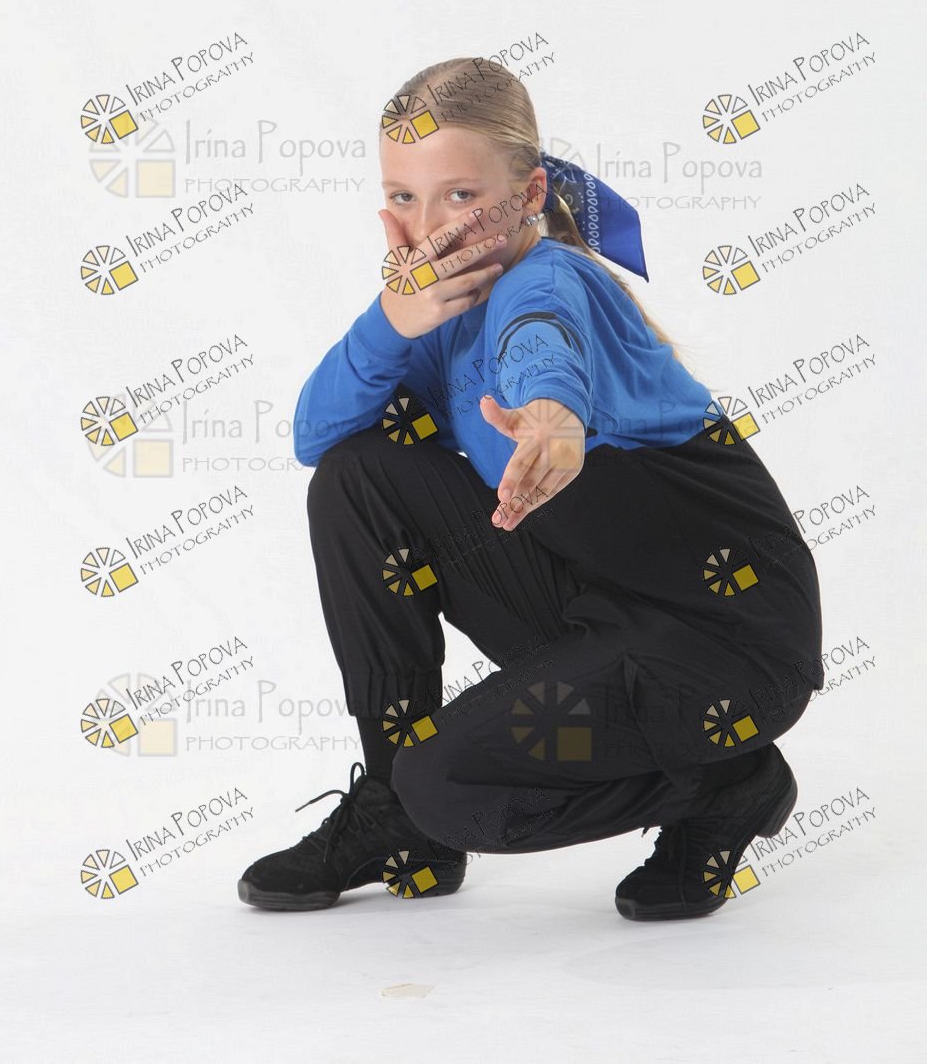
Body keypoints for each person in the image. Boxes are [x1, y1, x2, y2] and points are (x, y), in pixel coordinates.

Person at [238, 55, 824, 921]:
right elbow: (314, 437)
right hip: (599, 604)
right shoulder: (438, 314)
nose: (428, 227)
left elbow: (541, 342)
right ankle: (398, 819)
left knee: (447, 784)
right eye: (404, 196)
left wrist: (552, 415)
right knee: (358, 476)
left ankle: (728, 781)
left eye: (460, 195)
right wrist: (390, 320)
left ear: (529, 193)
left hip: (724, 642)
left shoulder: (552, 281)